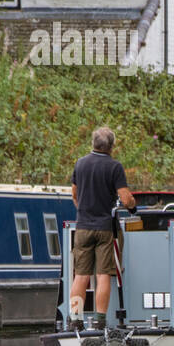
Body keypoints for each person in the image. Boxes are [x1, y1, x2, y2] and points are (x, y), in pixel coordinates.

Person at [70, 127, 135, 329]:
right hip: (105, 228)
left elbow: (74, 194)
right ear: (111, 146)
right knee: (102, 275)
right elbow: (125, 198)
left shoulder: (80, 164)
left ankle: (75, 319)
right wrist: (133, 205)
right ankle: (99, 321)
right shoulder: (114, 167)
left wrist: (85, 211)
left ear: (93, 143)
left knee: (80, 275)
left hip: (83, 227)